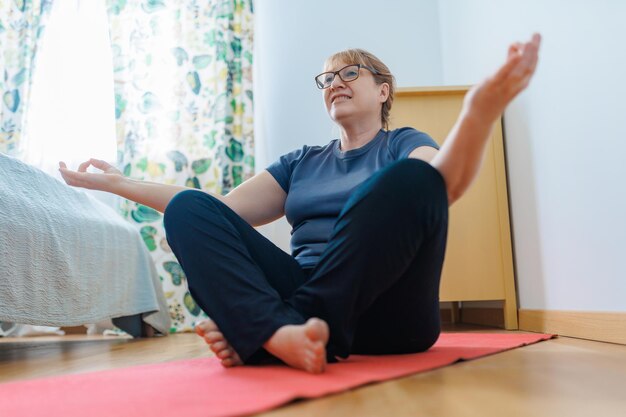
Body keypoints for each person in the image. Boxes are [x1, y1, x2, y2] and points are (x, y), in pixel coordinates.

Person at [59, 33, 541, 374]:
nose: (335, 82)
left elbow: (443, 185)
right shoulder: (301, 163)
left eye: (350, 72)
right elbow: (217, 214)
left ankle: (272, 331)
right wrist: (120, 184)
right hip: (303, 293)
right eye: (327, 78)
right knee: (189, 208)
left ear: (383, 90)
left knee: (412, 179)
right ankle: (281, 334)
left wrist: (479, 112)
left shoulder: (403, 144)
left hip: (390, 314)